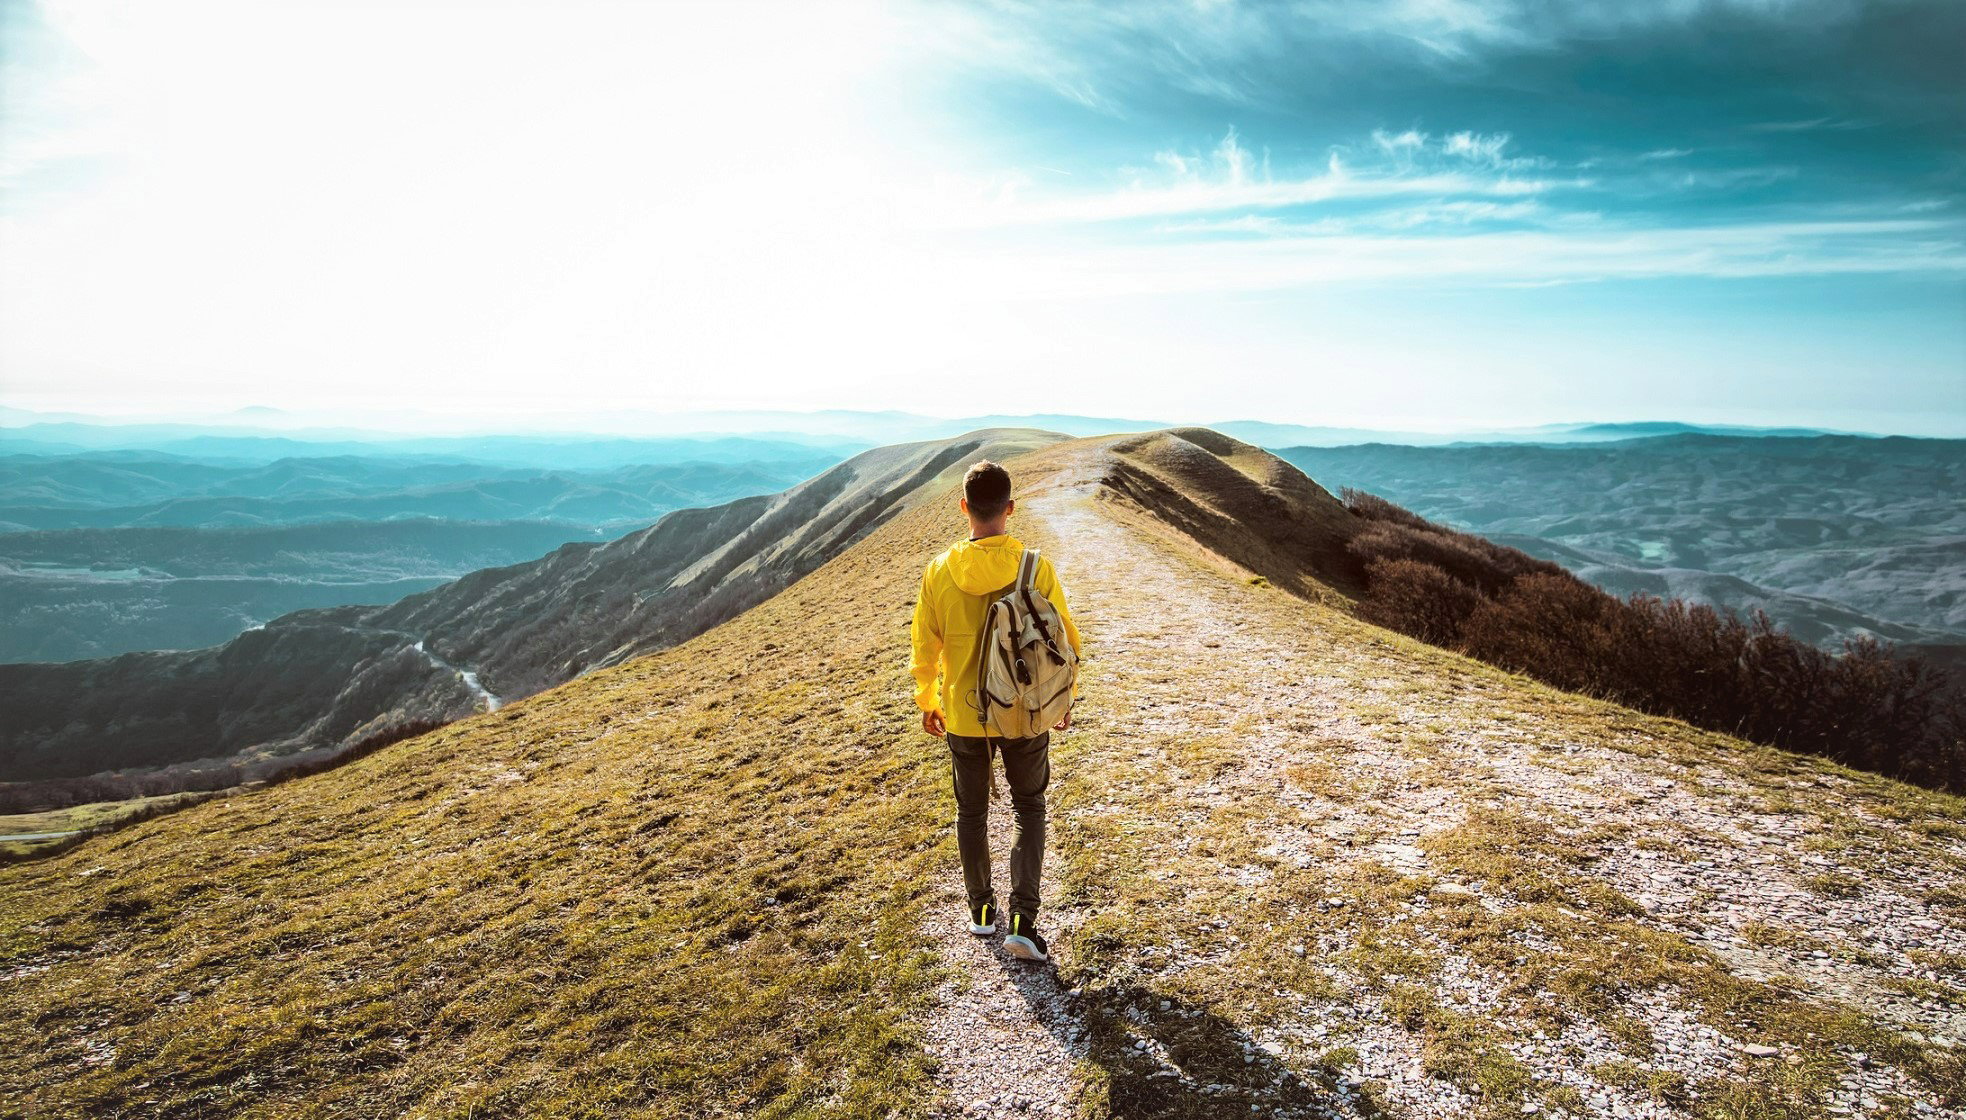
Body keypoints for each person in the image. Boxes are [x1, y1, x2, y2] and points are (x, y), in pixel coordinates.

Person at [910, 460, 1082, 963]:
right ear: (1010, 508)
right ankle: (1024, 922)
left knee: (972, 811)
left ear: (964, 507)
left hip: (964, 715)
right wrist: (1062, 699)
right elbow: (1065, 641)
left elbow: (925, 646)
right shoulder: (1036, 567)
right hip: (1025, 712)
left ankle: (981, 913)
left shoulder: (939, 571)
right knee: (1029, 807)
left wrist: (929, 700)